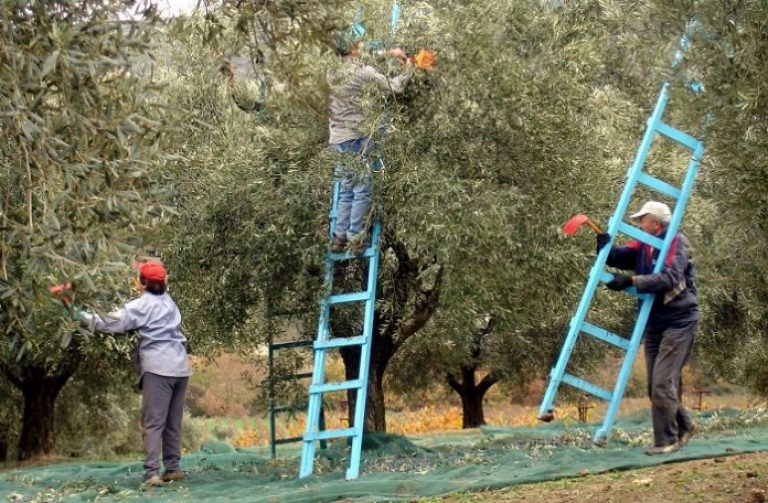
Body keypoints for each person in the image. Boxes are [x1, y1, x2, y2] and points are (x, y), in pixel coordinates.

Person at [596, 201, 699, 455]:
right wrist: (604, 246)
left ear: (656, 223)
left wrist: (632, 281)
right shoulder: (645, 243)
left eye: (642, 220)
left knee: (662, 383)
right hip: (653, 323)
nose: (638, 224)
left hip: (679, 320)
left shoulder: (676, 241)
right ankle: (684, 425)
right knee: (654, 384)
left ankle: (667, 441)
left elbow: (669, 278)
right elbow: (621, 257)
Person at [76, 261, 192, 487]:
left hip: (158, 368)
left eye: (139, 279)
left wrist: (80, 315)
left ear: (144, 283)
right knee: (172, 422)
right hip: (180, 367)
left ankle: (151, 474)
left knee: (153, 423)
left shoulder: (142, 305)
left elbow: (111, 322)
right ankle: (173, 469)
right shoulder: (170, 303)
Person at [327, 32, 413, 255]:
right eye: (358, 44)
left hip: (337, 138)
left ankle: (338, 238)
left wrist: (388, 54)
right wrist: (409, 68)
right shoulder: (362, 72)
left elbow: (364, 56)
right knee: (363, 189)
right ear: (353, 49)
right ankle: (356, 239)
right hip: (357, 137)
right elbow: (395, 87)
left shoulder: (331, 71)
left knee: (346, 188)